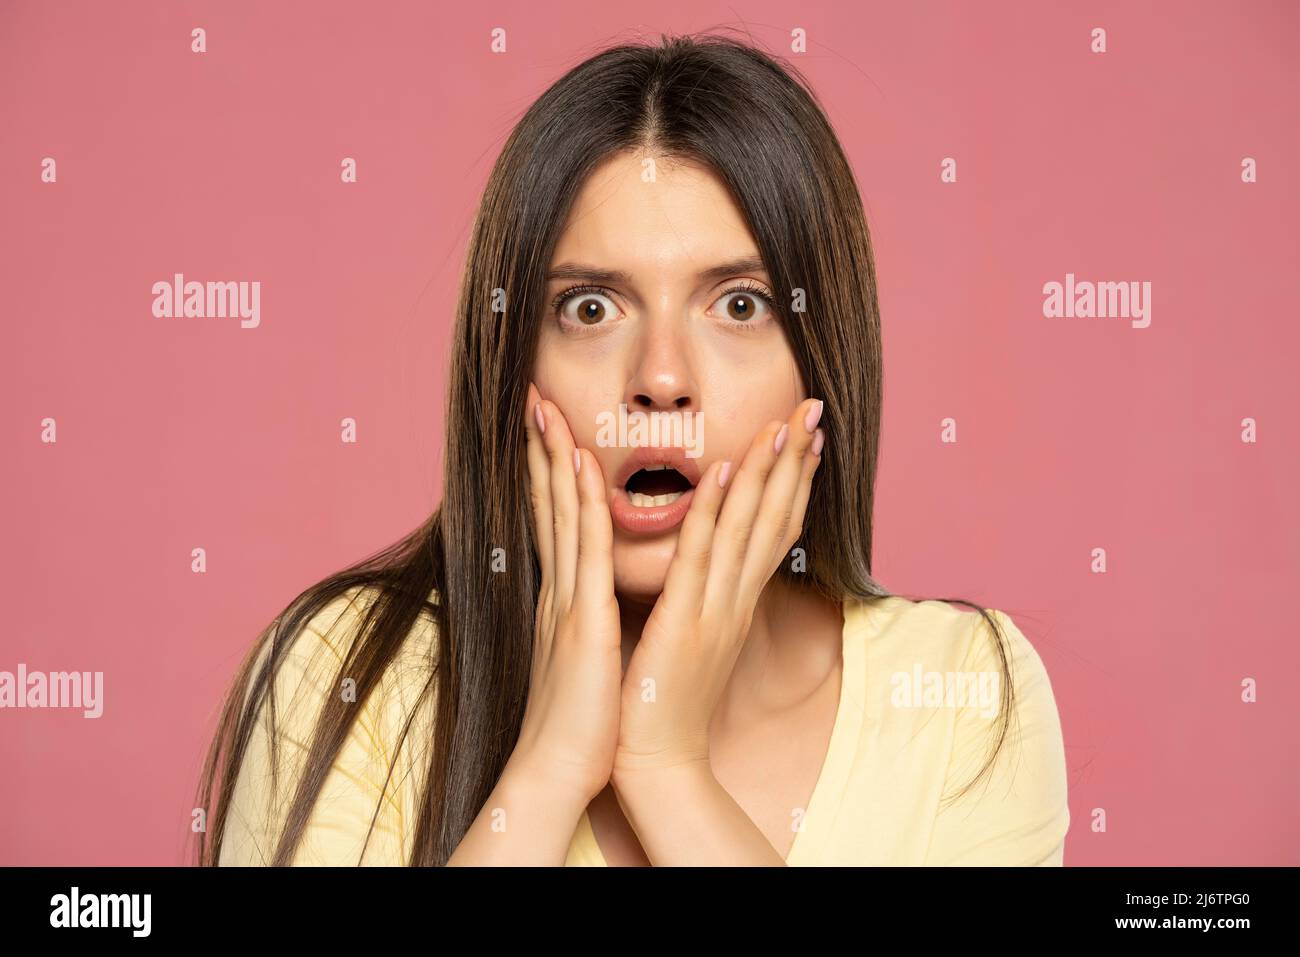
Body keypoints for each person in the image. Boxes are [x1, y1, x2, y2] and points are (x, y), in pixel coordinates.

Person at [197, 31, 1069, 867]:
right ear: (509, 370)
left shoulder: (965, 698)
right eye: (590, 309)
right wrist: (544, 773)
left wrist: (667, 767)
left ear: (823, 362)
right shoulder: (349, 671)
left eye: (738, 305)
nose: (660, 379)